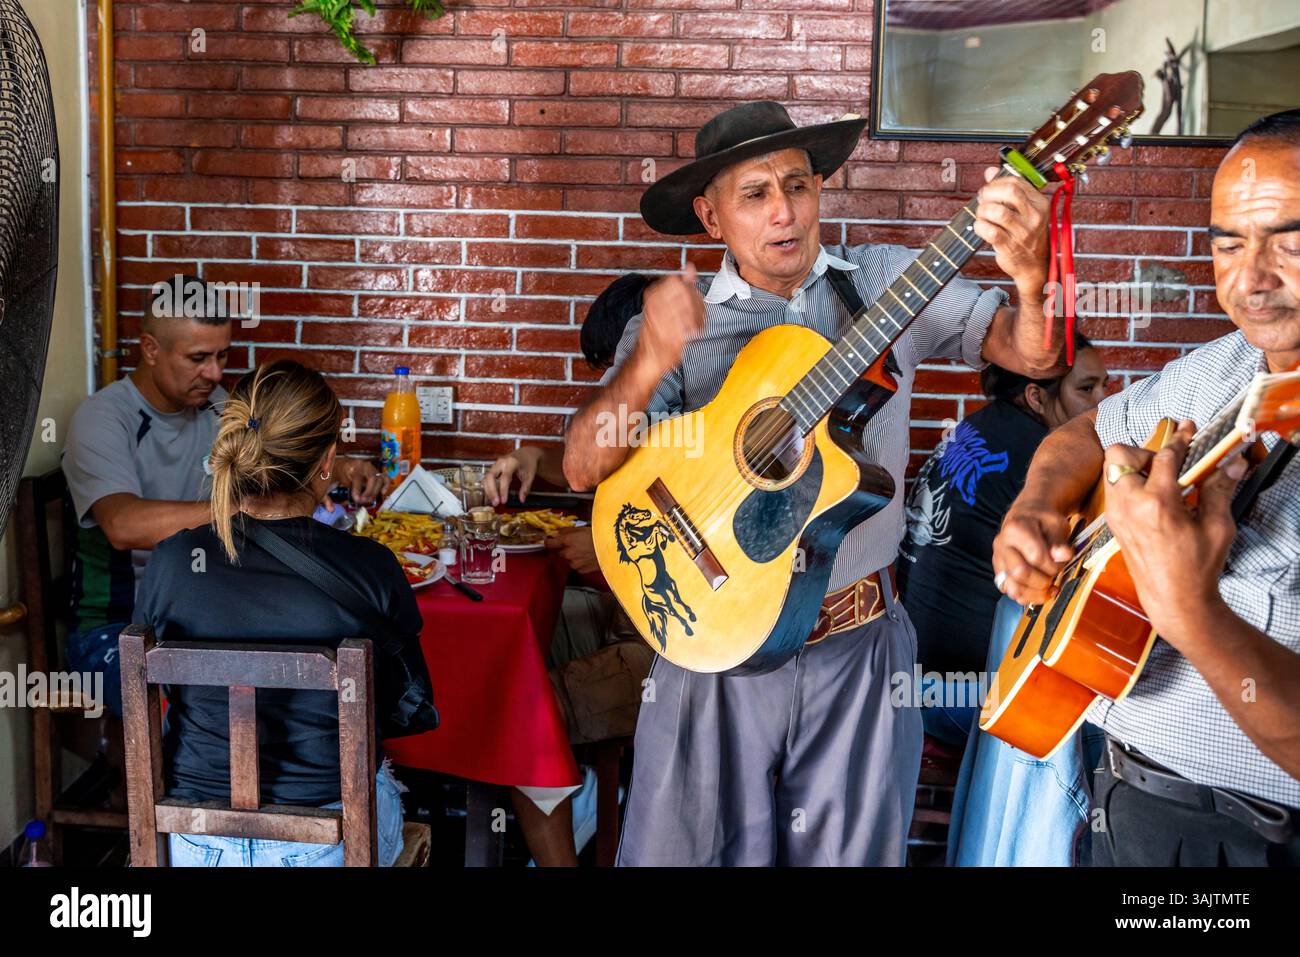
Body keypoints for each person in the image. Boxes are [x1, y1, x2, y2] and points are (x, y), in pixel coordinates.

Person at [562, 99, 1067, 866]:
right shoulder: (679, 321)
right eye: (755, 194)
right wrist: (651, 358)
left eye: (798, 186)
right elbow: (582, 465)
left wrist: (1031, 275)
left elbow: (1034, 356)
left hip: (858, 648)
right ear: (710, 216)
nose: (784, 212)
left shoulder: (885, 282)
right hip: (713, 646)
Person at [993, 109, 1300, 867]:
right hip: (1123, 803)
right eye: (1227, 243)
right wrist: (1036, 505)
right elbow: (1089, 433)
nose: (1251, 279)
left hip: (1254, 841)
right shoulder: (1227, 362)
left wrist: (1186, 605)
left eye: (1289, 240)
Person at [133, 359, 426, 867]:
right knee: (383, 776)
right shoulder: (371, 567)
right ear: (326, 461)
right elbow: (400, 705)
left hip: (194, 841)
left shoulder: (173, 562)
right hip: (327, 842)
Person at [62, 275, 382, 716]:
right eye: (198, 358)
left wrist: (334, 468)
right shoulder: (102, 418)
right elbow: (123, 525)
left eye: (222, 355)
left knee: (297, 686)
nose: (214, 373)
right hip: (118, 629)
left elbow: (270, 462)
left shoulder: (217, 406)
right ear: (150, 349)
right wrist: (251, 508)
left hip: (204, 613)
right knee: (205, 711)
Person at [482, 273, 653, 866]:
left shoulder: (692, 409)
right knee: (514, 648)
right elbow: (600, 466)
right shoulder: (647, 408)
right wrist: (534, 458)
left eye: (615, 371)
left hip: (670, 651)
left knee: (519, 713)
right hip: (622, 616)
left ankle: (566, 828)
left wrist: (607, 551)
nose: (609, 391)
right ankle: (576, 793)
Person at [898, 334, 1108, 746]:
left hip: (915, 678)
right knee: (1114, 727)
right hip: (955, 696)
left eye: (1105, 386)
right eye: (1087, 389)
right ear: (1035, 396)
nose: (1102, 403)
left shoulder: (983, 426)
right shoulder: (1037, 461)